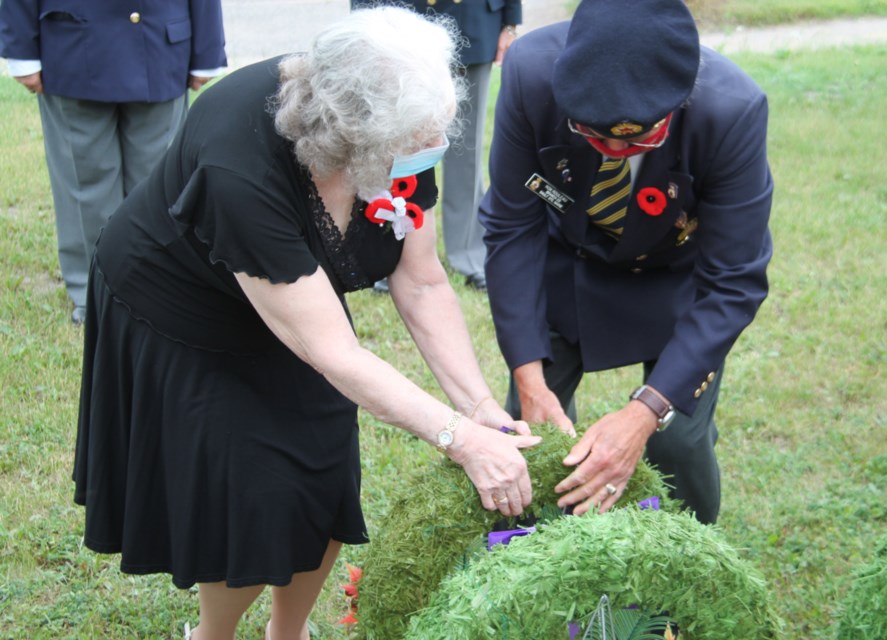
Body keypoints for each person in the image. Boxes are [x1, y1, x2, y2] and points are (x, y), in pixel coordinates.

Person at [72, 7, 539, 639]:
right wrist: (460, 439)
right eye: (420, 139)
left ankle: (286, 633)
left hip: (301, 304)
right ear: (360, 138)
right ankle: (214, 635)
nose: (433, 148)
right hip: (185, 307)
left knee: (321, 475)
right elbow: (332, 352)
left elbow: (423, 280)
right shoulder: (241, 162)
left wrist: (478, 404)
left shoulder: (399, 124)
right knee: (245, 493)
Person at [480, 0, 774, 525]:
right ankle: (532, 562)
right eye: (595, 135)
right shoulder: (528, 73)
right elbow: (512, 226)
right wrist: (527, 375)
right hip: (564, 267)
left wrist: (644, 413)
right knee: (529, 433)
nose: (615, 148)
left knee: (677, 441)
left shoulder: (732, 111)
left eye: (639, 137)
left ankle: (692, 560)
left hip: (673, 279)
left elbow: (733, 283)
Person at [0, 1, 227, 325]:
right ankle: (93, 292)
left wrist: (207, 48)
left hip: (159, 43)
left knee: (157, 186)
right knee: (85, 181)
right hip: (72, 45)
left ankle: (156, 285)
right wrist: (21, 50)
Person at [351, 0, 521, 292]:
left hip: (473, 15)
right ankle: (382, 254)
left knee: (466, 150)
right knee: (390, 140)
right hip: (396, 19)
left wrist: (509, 20)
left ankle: (468, 253)